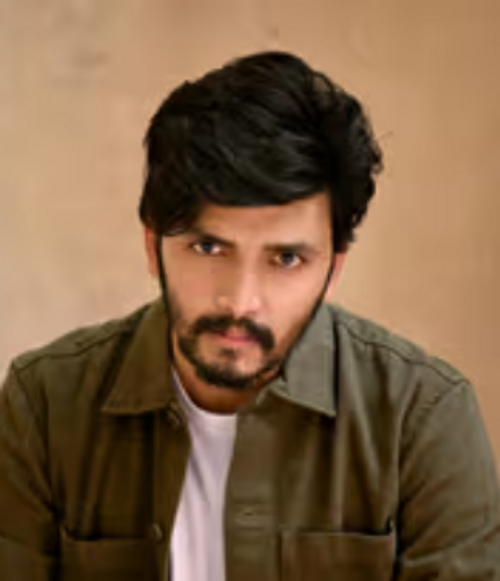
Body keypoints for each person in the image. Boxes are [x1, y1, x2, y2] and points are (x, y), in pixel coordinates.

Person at [0, 50, 498, 581]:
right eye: (209, 248)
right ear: (152, 244)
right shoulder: (45, 406)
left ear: (333, 269)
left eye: (286, 259)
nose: (240, 302)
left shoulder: (420, 418)